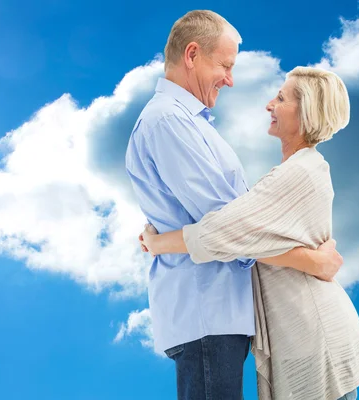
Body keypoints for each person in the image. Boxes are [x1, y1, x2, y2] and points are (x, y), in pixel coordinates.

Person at [125, 10, 345, 400]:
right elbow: (230, 227)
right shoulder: (169, 122)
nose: (231, 78)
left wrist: (161, 241)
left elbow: (241, 224)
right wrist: (312, 261)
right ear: (192, 54)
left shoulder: (190, 123)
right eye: (225, 65)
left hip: (219, 311)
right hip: (206, 310)